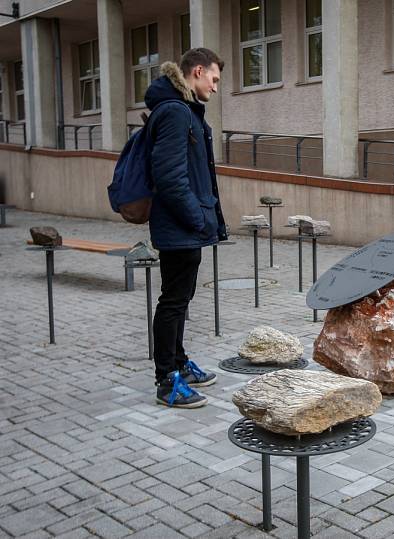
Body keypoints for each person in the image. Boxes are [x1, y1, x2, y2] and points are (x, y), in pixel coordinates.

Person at [145, 48, 227, 408]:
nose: (216, 86)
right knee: (173, 302)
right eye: (214, 78)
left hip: (183, 226)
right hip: (180, 225)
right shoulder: (176, 112)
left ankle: (178, 363)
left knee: (180, 300)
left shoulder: (181, 109)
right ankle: (167, 381)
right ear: (197, 71)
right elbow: (170, 178)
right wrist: (197, 219)